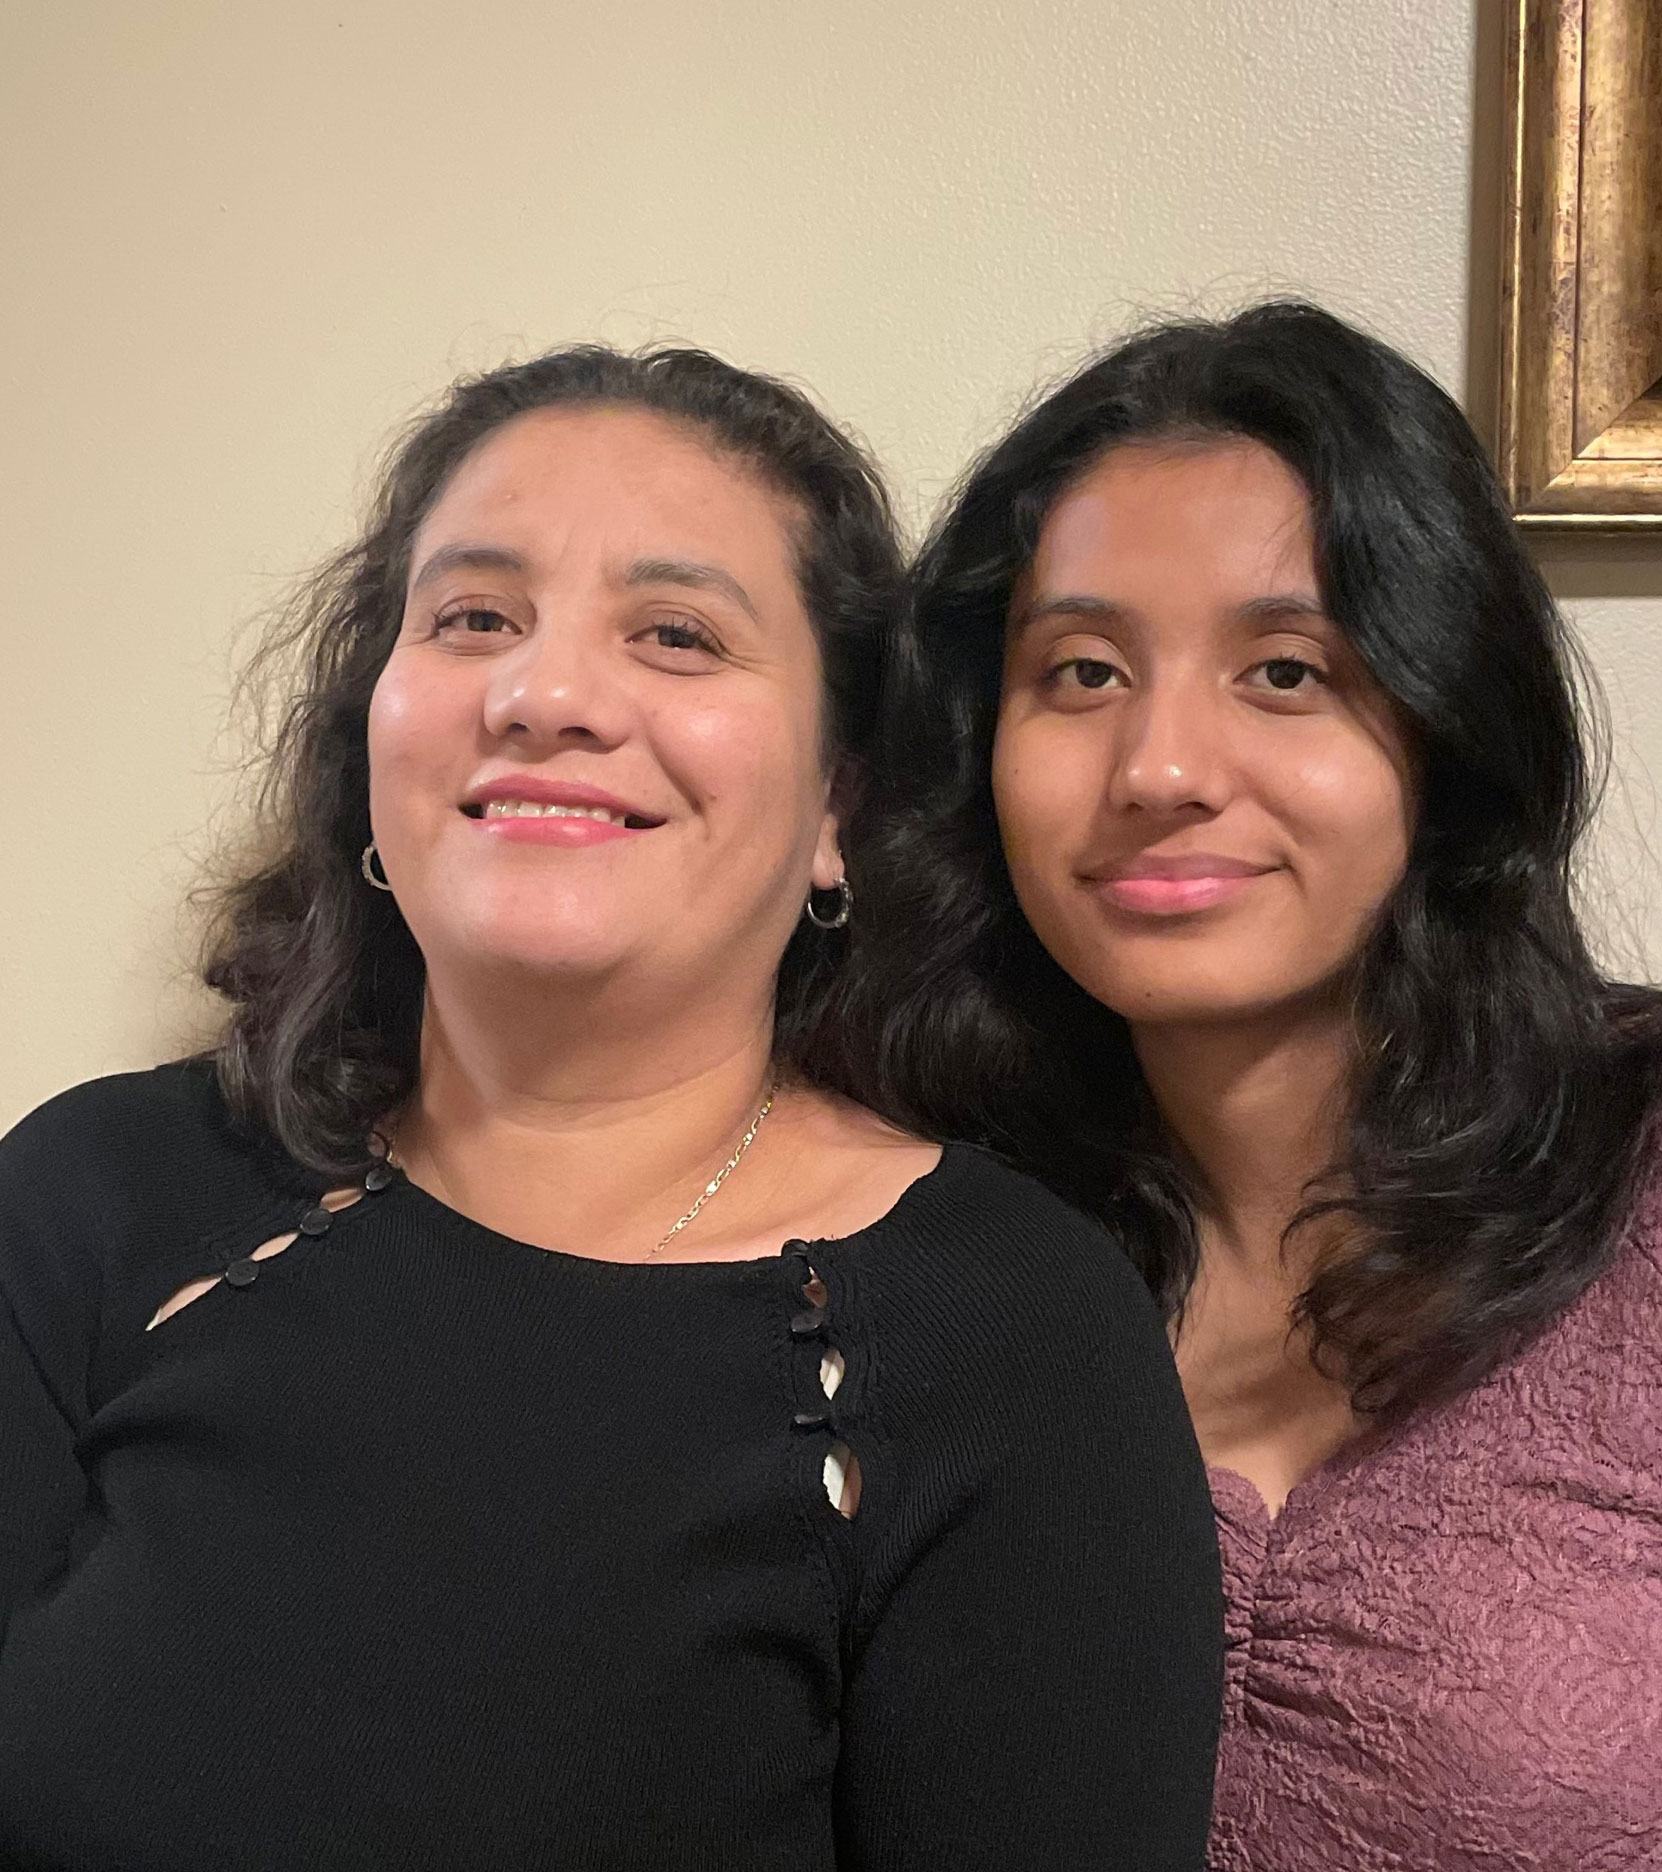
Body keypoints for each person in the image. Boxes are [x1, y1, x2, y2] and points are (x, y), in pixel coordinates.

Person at [0, 344, 1224, 1871]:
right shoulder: (96, 1195)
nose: (544, 692)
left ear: (841, 805)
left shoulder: (1011, 1338)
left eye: (677, 634)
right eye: (472, 618)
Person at [856, 300, 1662, 1868]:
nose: (1161, 768)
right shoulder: (920, 1249)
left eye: (1282, 669)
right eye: (1078, 671)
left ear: (1442, 724)